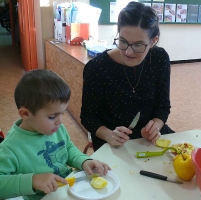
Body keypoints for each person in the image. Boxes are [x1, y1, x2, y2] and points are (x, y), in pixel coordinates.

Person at [0, 69, 111, 200]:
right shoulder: (10, 148)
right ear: (25, 114)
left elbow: (68, 148)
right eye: (52, 116)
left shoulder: (55, 128)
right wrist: (33, 181)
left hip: (68, 189)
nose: (60, 122)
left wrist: (84, 160)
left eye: (62, 114)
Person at [80, 2, 174, 151]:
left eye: (138, 45)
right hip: (112, 140)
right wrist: (109, 135)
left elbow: (162, 107)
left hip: (149, 138)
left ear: (153, 41)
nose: (129, 52)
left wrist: (155, 126)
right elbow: (88, 117)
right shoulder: (97, 68)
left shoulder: (159, 59)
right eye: (123, 41)